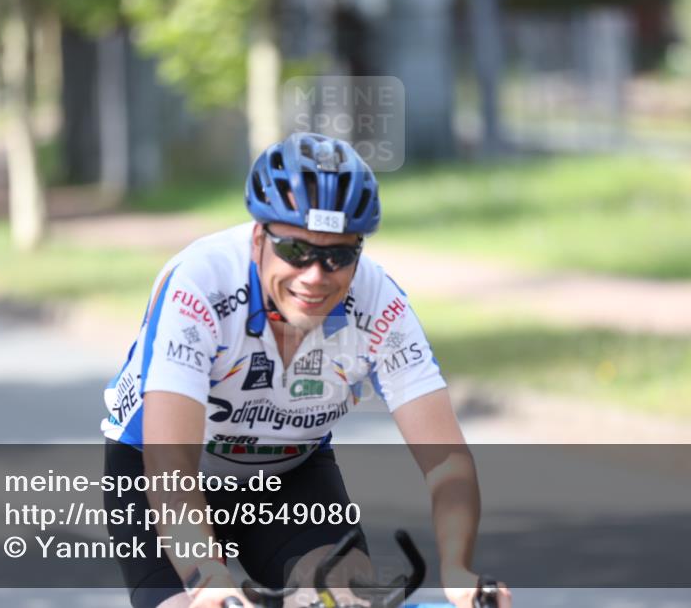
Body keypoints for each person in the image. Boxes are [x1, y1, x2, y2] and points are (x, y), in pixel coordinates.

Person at [101, 133, 511, 608]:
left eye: (338, 255)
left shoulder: (379, 304)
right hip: (163, 476)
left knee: (346, 596)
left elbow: (446, 461)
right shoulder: (200, 284)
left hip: (287, 474)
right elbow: (170, 468)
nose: (315, 275)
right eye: (295, 250)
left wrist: (458, 569)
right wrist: (208, 575)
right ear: (259, 237)